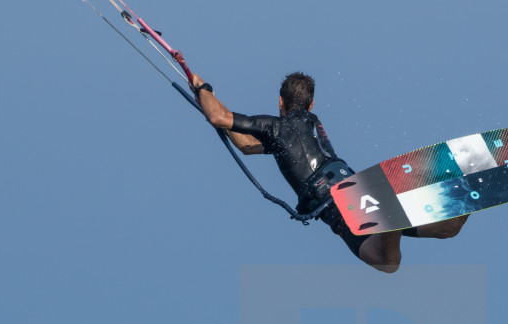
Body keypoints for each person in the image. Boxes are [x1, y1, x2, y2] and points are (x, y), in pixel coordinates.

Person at [188, 70, 468, 273]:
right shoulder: (311, 123)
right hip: (358, 186)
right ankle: (462, 189)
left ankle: (393, 215)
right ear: (311, 105)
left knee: (388, 264)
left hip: (336, 203)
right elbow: (248, 146)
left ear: (280, 102)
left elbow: (219, 117)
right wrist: (209, 102)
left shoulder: (275, 127)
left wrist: (203, 89)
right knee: (449, 229)